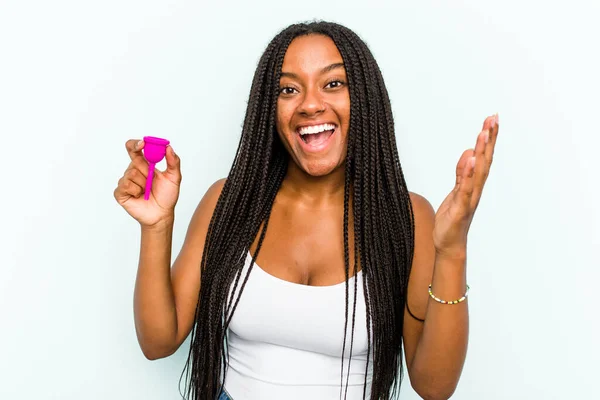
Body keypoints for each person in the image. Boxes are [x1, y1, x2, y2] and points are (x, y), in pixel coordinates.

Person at [114, 21, 499, 400]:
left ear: (364, 98)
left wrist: (452, 250)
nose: (310, 104)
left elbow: (434, 386)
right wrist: (157, 226)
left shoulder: (406, 217)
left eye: (333, 83)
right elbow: (158, 342)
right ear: (270, 108)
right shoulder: (228, 202)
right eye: (288, 89)